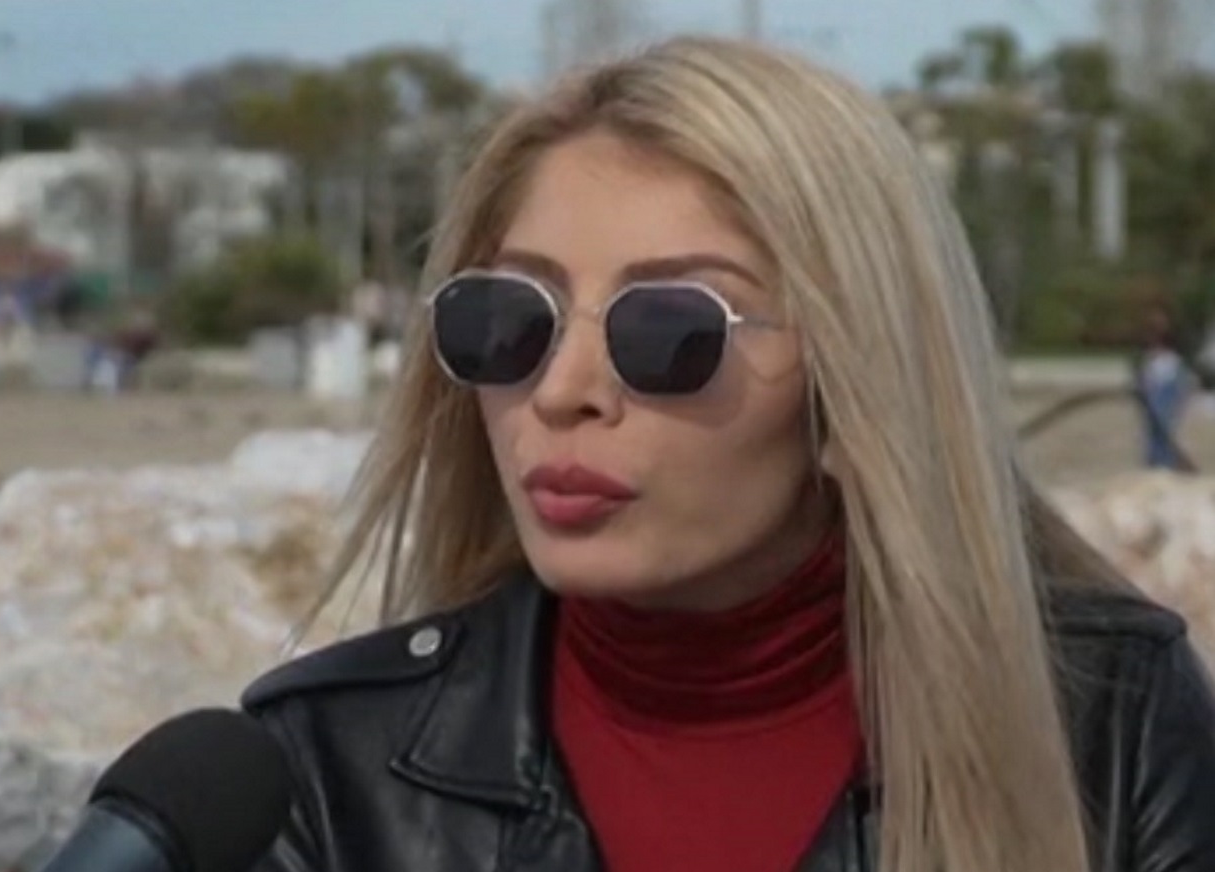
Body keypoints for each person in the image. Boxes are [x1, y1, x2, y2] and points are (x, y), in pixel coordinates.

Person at [243, 37, 1215, 872]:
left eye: (669, 329)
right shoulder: (322, 766)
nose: (561, 390)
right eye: (508, 318)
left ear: (855, 377)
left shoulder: (1108, 721)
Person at [1134, 306, 1195, 470]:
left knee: (1164, 424)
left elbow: (1184, 364)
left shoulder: (1177, 338)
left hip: (1169, 377)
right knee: (1154, 425)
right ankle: (1157, 460)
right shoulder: (1147, 339)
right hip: (1155, 378)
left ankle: (1164, 460)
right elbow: (1142, 361)